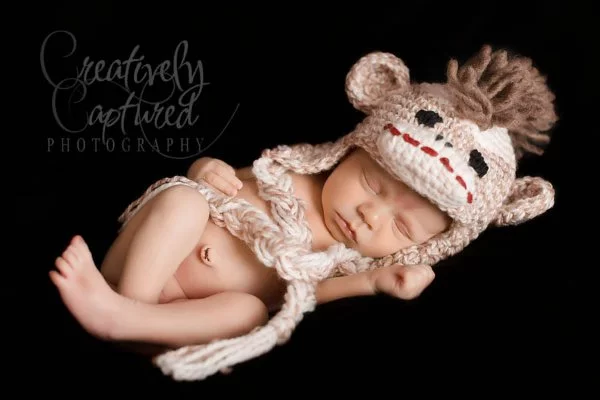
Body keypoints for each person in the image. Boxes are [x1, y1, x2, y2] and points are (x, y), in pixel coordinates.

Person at [49, 44, 558, 381]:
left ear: (425, 245)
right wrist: (206, 169)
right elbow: (221, 178)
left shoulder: (343, 256)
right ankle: (123, 306)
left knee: (249, 312)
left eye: (400, 227)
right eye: (370, 183)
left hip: (181, 326)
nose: (367, 217)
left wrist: (377, 283)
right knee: (181, 198)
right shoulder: (288, 175)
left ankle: (124, 322)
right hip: (142, 271)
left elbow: (310, 293)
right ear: (349, 150)